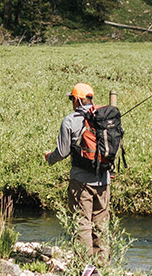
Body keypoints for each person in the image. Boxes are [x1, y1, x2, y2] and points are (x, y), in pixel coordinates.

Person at [45, 82, 112, 265]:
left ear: (77, 100)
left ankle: (83, 267)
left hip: (81, 182)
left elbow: (62, 152)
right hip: (104, 180)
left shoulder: (70, 120)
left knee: (82, 223)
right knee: (101, 224)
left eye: (72, 99)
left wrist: (49, 158)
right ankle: (102, 266)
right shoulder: (106, 116)